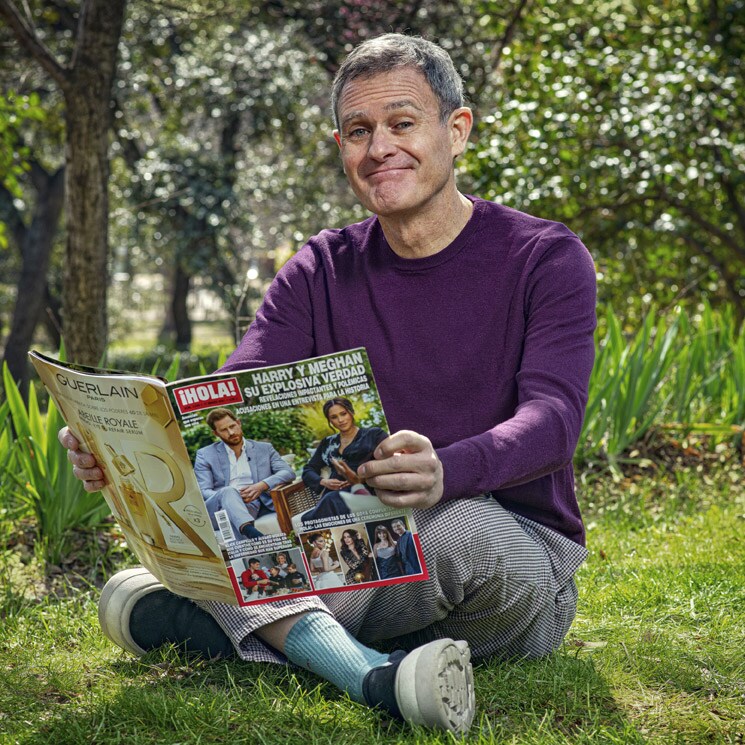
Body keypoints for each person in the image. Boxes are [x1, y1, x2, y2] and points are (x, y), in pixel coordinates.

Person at [61, 33, 596, 734]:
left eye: (401, 123)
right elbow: (238, 389)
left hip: (505, 552)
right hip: (350, 548)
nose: (379, 148)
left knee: (451, 528)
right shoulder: (321, 266)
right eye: (357, 131)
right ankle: (375, 676)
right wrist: (131, 441)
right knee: (246, 528)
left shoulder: (544, 258)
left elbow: (553, 417)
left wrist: (445, 468)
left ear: (456, 131)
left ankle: (208, 623)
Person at [194, 408, 295, 540]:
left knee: (233, 520)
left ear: (239, 423)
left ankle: (251, 536)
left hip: (251, 506)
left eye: (232, 426)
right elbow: (204, 490)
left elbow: (288, 472)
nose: (231, 432)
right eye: (224, 430)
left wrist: (261, 486)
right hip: (217, 510)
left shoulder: (264, 449)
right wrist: (232, 497)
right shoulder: (205, 454)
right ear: (216, 433)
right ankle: (254, 535)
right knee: (229, 491)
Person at [300, 398, 387, 525]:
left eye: (343, 414)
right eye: (334, 417)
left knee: (330, 502)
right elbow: (308, 469)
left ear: (351, 412)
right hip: (333, 493)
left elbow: (389, 460)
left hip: (363, 489)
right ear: (330, 421)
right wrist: (323, 482)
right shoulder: (327, 443)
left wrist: (362, 477)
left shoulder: (373, 434)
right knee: (317, 510)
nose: (340, 420)